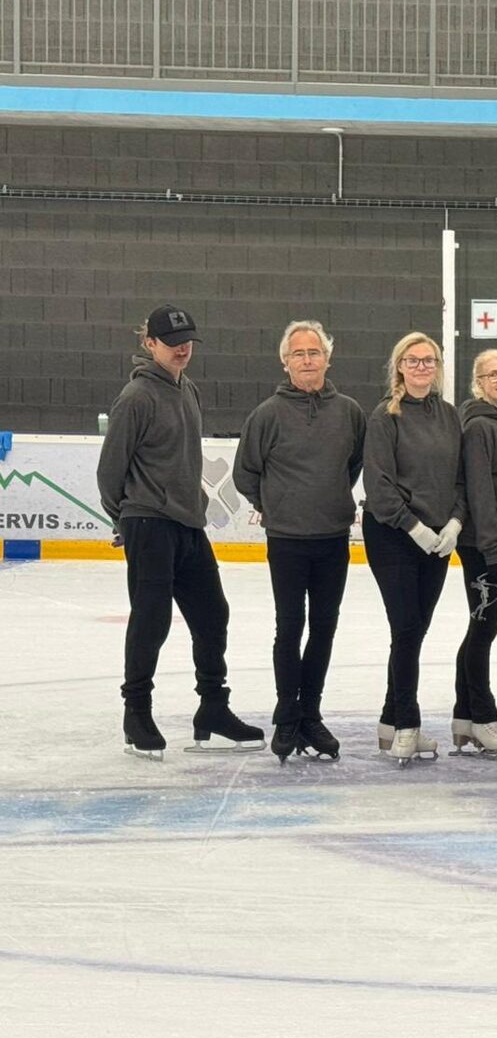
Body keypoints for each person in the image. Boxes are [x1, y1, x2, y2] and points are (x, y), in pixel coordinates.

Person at [98, 307, 265, 759]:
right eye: (172, 341)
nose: (182, 348)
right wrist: (125, 520)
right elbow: (109, 472)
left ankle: (213, 709)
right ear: (149, 343)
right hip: (149, 523)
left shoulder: (187, 389)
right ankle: (136, 713)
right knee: (151, 620)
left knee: (213, 615)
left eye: (187, 339)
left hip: (189, 524)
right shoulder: (136, 397)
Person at [233, 319, 364, 763]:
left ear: (328, 358)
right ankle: (288, 714)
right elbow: (245, 473)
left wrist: (328, 498)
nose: (307, 360)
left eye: (314, 352)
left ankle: (311, 713)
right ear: (285, 362)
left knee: (324, 627)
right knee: (289, 627)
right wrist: (276, 504)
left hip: (332, 538)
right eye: (298, 354)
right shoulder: (267, 415)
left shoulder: (349, 412)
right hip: (287, 539)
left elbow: (352, 465)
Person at [362, 331, 466, 765]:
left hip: (437, 540)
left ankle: (390, 719)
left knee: (415, 629)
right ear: (400, 367)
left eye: (429, 360)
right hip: (393, 535)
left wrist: (455, 521)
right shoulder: (385, 417)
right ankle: (407, 723)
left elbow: (460, 478)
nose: (422, 367)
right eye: (413, 360)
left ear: (437, 367)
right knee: (406, 627)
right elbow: (378, 484)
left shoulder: (449, 416)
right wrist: (413, 527)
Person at [452, 348, 497, 757]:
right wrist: (492, 547)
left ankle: (464, 714)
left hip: (496, 541)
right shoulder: (480, 426)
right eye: (491, 374)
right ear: (477, 382)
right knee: (484, 629)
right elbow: (479, 490)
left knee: (479, 627)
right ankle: (482, 715)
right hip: (483, 545)